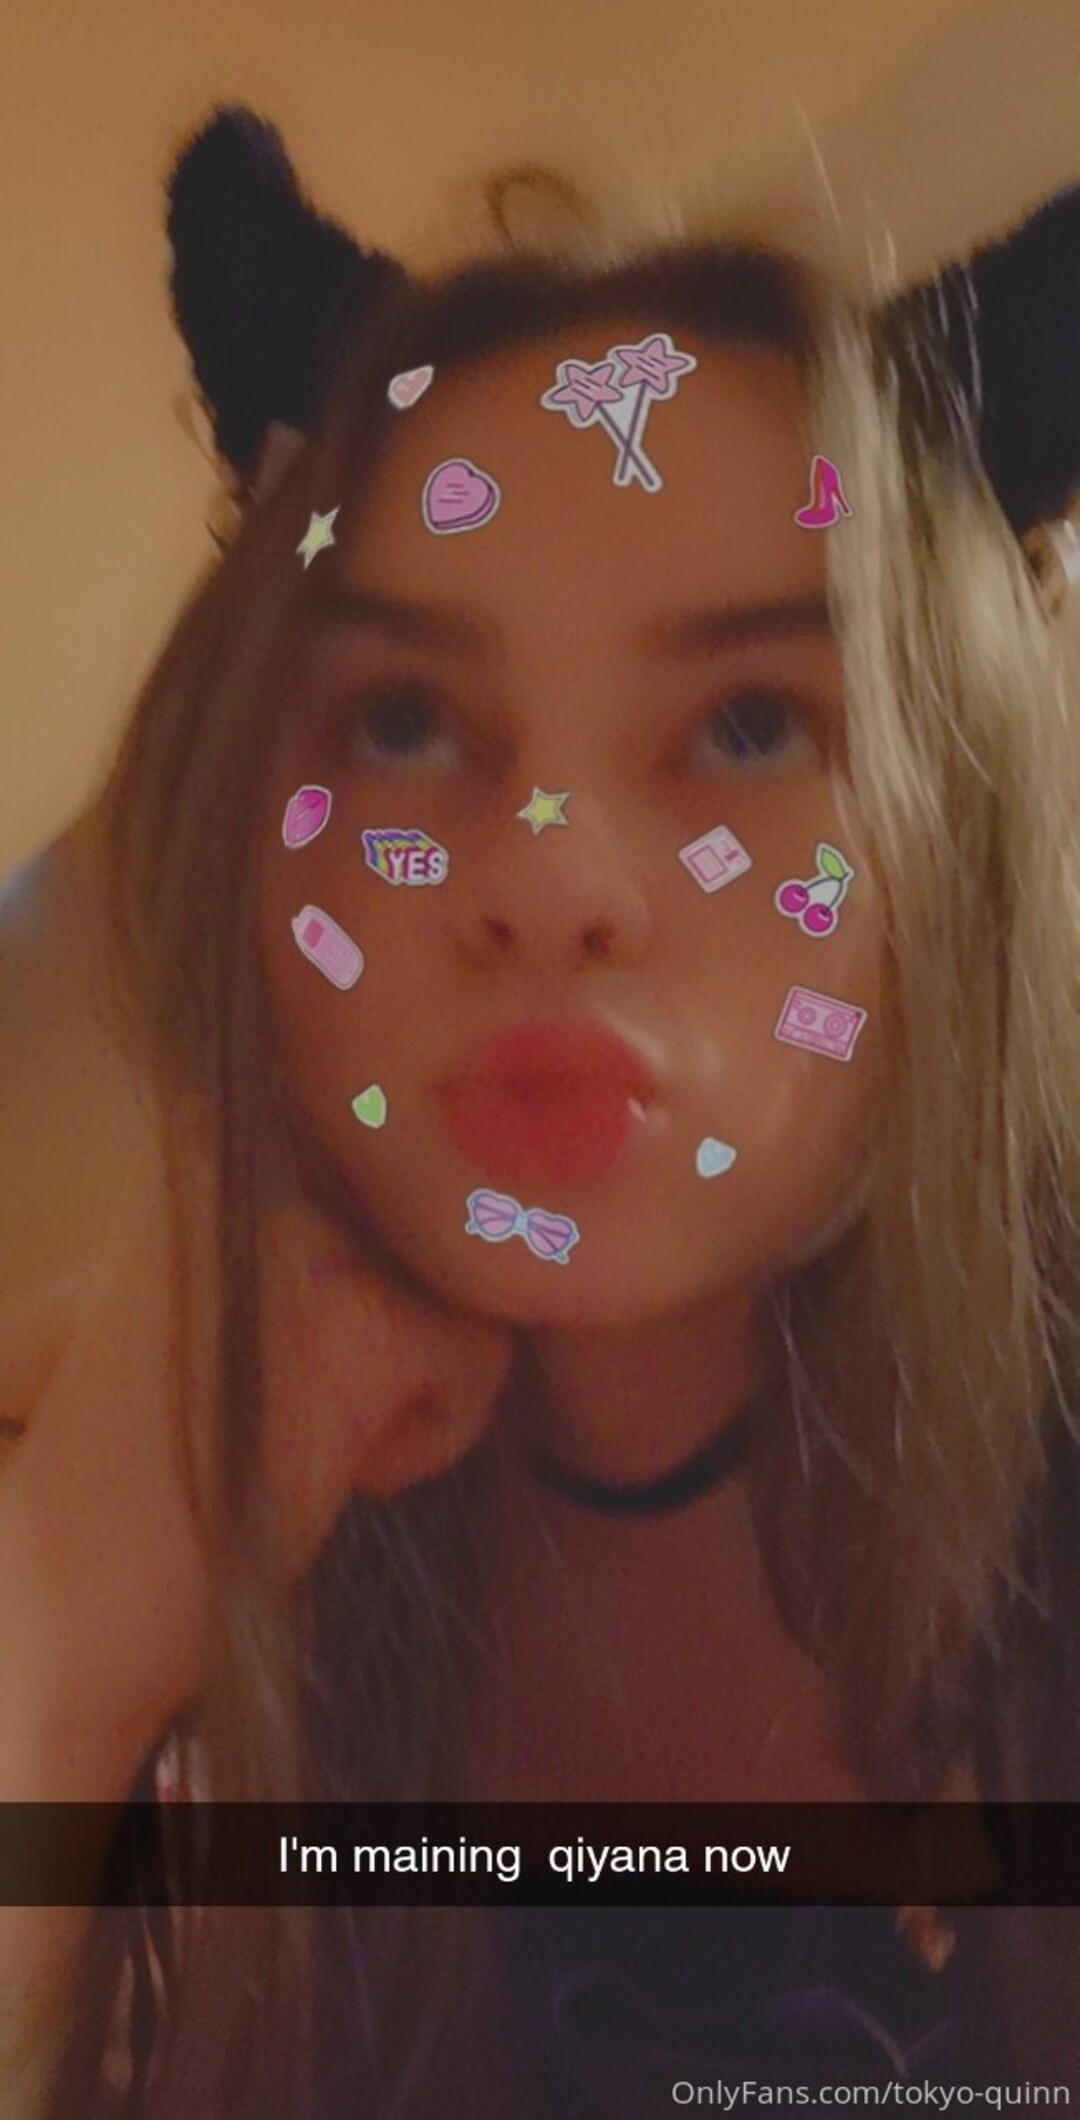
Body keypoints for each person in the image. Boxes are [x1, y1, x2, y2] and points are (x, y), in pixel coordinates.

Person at [2, 106, 1080, 2118]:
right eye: (408, 721)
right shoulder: (113, 1457)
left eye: (749, 719)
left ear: (968, 826)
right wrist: (53, 1661)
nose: (555, 873)